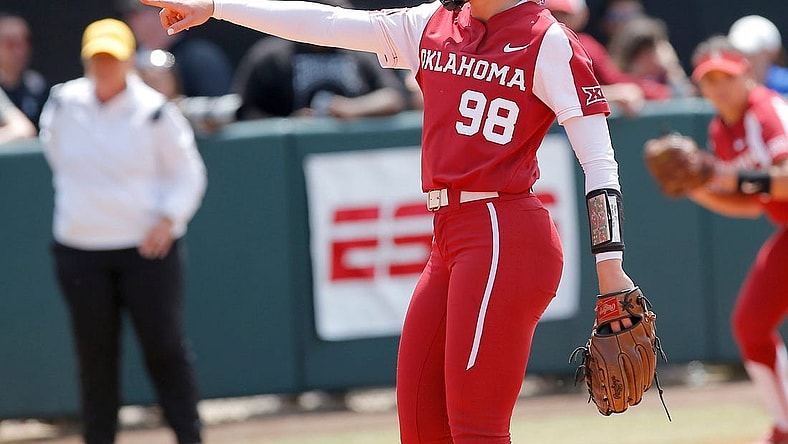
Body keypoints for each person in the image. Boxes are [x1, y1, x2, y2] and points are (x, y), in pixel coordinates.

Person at [139, 0, 640, 442]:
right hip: (450, 236)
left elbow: (600, 164)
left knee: (477, 429)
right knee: (421, 427)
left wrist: (610, 269)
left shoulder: (548, 39)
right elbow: (327, 23)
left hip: (503, 230)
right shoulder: (433, 23)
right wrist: (217, 5)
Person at [39, 18, 207, 444]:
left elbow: (189, 175)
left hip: (147, 253)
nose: (105, 67)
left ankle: (189, 437)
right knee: (95, 355)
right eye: (98, 59)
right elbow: (56, 156)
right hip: (80, 250)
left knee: (164, 349)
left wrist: (168, 220)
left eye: (112, 59)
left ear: (129, 61)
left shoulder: (155, 111)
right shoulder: (62, 104)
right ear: (86, 61)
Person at [686, 35, 788, 444]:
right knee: (751, 324)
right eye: (708, 81)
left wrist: (731, 177)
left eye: (724, 77)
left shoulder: (766, 111)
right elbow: (750, 204)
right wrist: (696, 190)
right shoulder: (720, 128)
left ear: (746, 72)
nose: (718, 88)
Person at [232, 0, 405, 120]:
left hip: (353, 156)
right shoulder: (271, 57)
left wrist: (352, 109)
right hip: (287, 161)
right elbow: (247, 112)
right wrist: (288, 124)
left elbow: (393, 97)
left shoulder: (358, 52)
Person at [545, 0, 673, 117]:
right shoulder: (532, 46)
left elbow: (613, 80)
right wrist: (614, 94)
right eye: (553, 14)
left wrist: (655, 91)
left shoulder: (585, 45)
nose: (558, 20)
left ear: (581, 16)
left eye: (564, 14)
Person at [120, 0, 233, 97]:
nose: (131, 19)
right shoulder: (129, 60)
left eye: (136, 12)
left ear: (162, 11)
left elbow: (218, 109)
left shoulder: (199, 58)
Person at [607, 16, 694, 98]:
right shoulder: (623, 82)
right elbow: (677, 95)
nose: (664, 52)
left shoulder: (660, 79)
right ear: (644, 54)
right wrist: (673, 67)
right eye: (658, 47)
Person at [0, 13, 48, 129]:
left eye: (25, 41)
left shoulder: (37, 86)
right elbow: (23, 130)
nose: (19, 50)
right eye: (11, 43)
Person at [728, 15, 788, 95]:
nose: (745, 60)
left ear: (773, 53)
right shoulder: (726, 88)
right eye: (739, 54)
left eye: (752, 54)